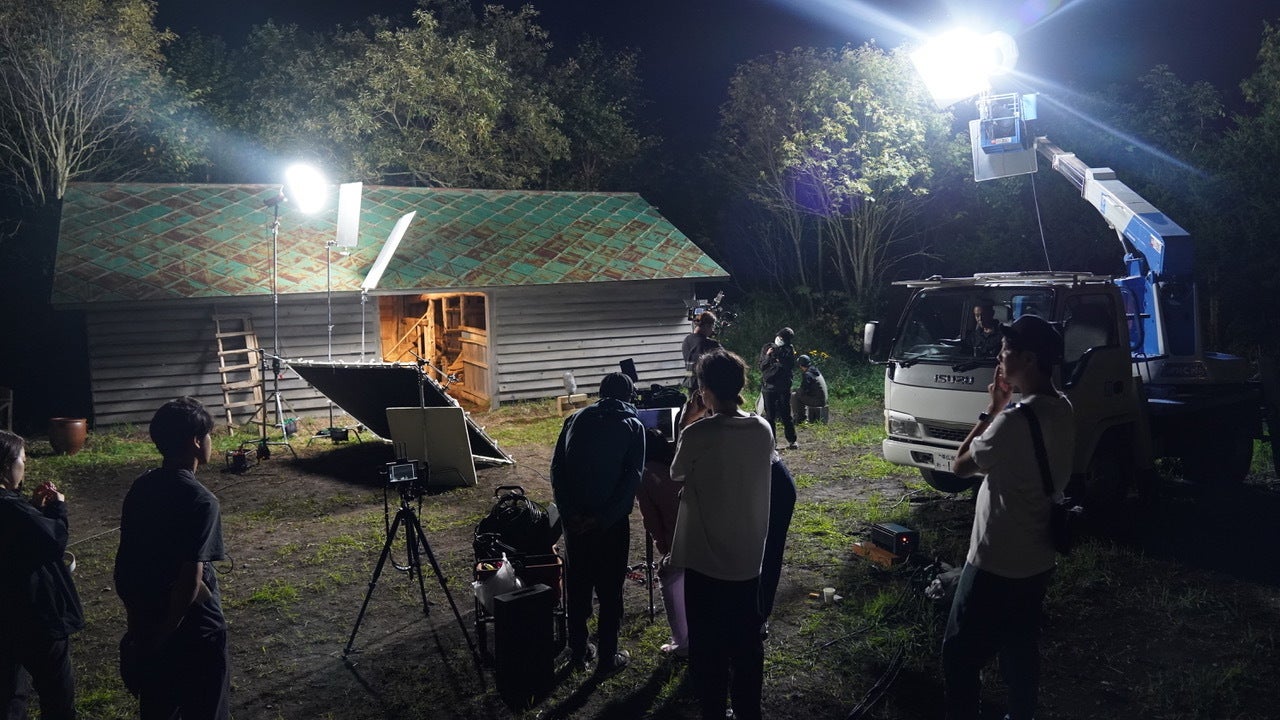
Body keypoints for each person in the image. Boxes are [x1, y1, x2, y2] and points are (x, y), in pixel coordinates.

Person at [943, 315, 1075, 720]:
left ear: (1029, 359)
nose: (999, 358)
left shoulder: (1012, 421)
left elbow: (959, 466)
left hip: (995, 560)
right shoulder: (1064, 407)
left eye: (1005, 351)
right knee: (1020, 649)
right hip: (1039, 557)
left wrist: (992, 409)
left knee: (959, 655)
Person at [671, 350, 773, 720]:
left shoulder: (698, 432)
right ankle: (748, 711)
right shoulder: (763, 429)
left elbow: (676, 472)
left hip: (705, 560)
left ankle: (713, 710)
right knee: (746, 645)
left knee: (707, 646)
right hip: (748, 558)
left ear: (705, 390)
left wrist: (688, 422)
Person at [114, 397, 230, 720]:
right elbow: (190, 582)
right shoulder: (201, 501)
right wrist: (164, 634)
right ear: (196, 441)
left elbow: (126, 563)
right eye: (208, 435)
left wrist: (143, 633)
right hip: (195, 630)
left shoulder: (142, 487)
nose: (211, 442)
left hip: (148, 618)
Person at [550, 372, 646, 679]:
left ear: (601, 393)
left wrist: (569, 514)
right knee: (610, 589)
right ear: (629, 396)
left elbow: (557, 469)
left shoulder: (574, 420)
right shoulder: (633, 425)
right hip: (610, 525)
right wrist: (603, 519)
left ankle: (578, 650)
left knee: (578, 586)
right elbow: (632, 478)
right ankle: (608, 656)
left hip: (574, 523)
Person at [0, 430, 83, 720]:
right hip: (35, 613)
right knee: (56, 692)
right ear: (7, 464)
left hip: (6, 615)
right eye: (23, 460)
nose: (25, 466)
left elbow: (17, 539)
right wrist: (58, 506)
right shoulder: (10, 506)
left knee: (10, 693)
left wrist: (34, 509)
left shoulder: (13, 505)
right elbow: (54, 539)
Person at [635, 428, 687, 657]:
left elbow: (651, 520)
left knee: (668, 577)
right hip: (705, 533)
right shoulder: (678, 463)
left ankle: (682, 642)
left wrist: (663, 548)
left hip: (678, 540)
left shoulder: (645, 474)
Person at [758, 327, 798, 449]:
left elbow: (788, 366)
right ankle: (772, 442)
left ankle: (792, 440)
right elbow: (762, 366)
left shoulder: (789, 349)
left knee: (786, 415)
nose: (780, 340)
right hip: (768, 387)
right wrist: (768, 356)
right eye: (780, 337)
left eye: (783, 339)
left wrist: (778, 360)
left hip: (783, 387)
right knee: (770, 416)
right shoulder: (767, 347)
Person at [682, 311, 721, 392]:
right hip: (705, 383)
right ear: (706, 326)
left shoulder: (687, 340)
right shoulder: (710, 343)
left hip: (690, 379)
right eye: (712, 326)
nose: (712, 330)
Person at [789, 355, 829, 424]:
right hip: (823, 399)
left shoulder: (807, 374)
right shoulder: (814, 370)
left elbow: (803, 390)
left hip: (818, 401)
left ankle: (799, 418)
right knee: (798, 394)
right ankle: (801, 417)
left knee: (794, 396)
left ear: (801, 365)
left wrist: (795, 390)